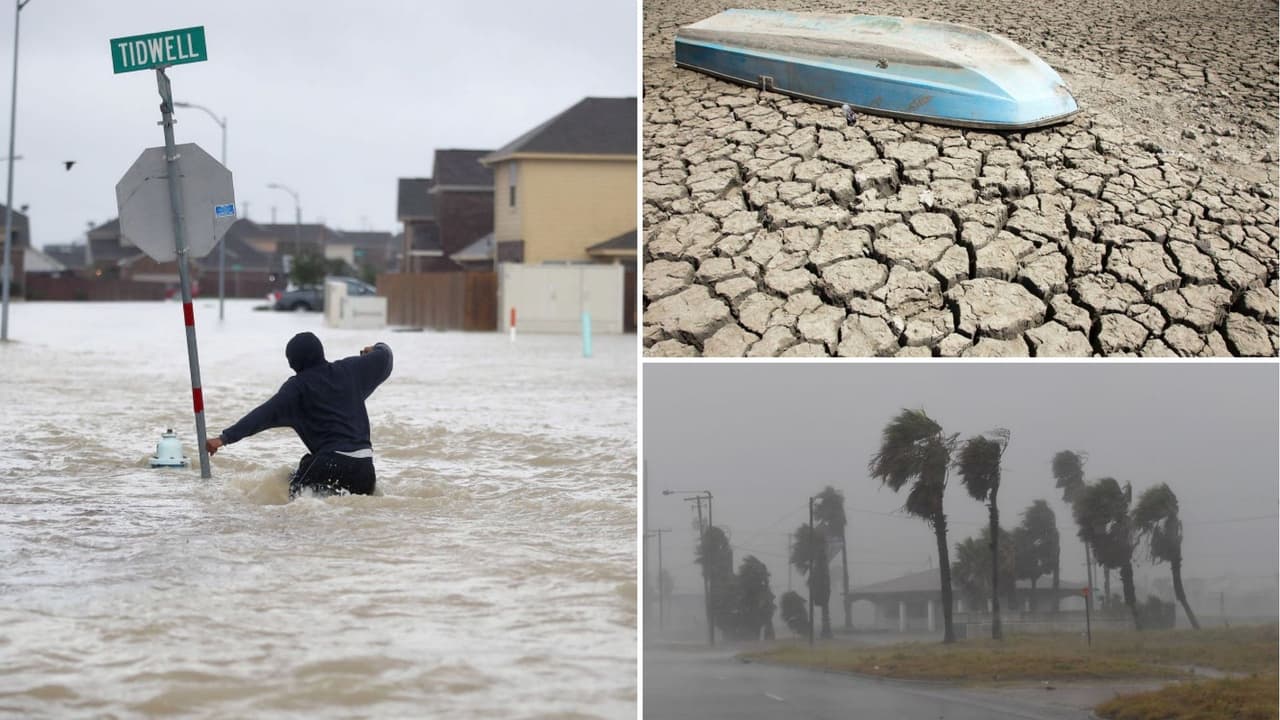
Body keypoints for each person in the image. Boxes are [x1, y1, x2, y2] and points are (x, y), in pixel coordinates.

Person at [206, 331, 393, 498]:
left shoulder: (296, 389)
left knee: (295, 506)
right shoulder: (351, 370)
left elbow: (262, 415)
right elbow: (386, 357)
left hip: (330, 464)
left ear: (293, 363)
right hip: (365, 471)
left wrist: (224, 438)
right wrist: (376, 347)